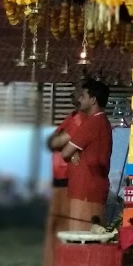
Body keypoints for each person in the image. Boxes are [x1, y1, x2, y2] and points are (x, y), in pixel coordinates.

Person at [50, 77, 113, 235]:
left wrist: (71, 152)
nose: (78, 98)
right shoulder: (100, 122)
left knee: (80, 237)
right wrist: (74, 151)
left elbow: (64, 151)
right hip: (91, 187)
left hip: (85, 190)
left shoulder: (91, 123)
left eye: (83, 96)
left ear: (93, 100)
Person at [40, 106, 84, 266]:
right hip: (59, 182)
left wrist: (62, 139)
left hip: (71, 184)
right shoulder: (72, 118)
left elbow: (60, 144)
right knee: (54, 231)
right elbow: (52, 142)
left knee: (68, 233)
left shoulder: (85, 121)